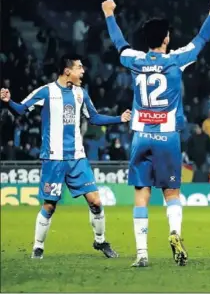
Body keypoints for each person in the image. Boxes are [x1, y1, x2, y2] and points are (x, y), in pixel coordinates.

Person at [101, 0, 210, 267]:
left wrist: (109, 14)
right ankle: (175, 233)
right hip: (167, 136)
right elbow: (202, 38)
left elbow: (119, 43)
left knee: (141, 195)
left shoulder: (134, 59)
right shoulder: (175, 60)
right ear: (166, 38)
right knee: (172, 194)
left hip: (141, 136)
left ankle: (142, 254)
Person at [0, 54, 131, 260]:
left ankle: (100, 241)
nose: (83, 71)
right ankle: (38, 247)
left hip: (77, 157)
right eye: (79, 67)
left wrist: (119, 119)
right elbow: (21, 110)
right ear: (67, 70)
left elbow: (94, 117)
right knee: (49, 206)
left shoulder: (81, 94)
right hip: (54, 158)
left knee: (96, 201)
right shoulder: (46, 92)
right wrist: (8, 102)